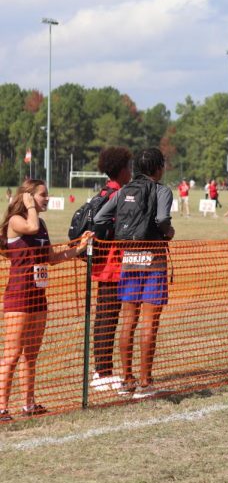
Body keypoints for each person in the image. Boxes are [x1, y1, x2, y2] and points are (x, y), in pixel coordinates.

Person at [1, 180, 93, 421]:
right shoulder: (18, 221)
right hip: (19, 297)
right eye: (42, 195)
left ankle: (28, 404)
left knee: (31, 354)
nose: (47, 199)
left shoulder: (40, 223)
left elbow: (51, 257)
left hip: (38, 298)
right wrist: (30, 206)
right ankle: (1, 407)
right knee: (11, 355)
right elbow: (30, 227)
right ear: (29, 197)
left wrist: (79, 248)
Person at [94, 148, 175, 399]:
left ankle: (127, 380)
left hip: (129, 259)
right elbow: (162, 219)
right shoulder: (162, 190)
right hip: (153, 260)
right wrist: (168, 232)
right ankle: (145, 381)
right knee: (150, 322)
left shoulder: (123, 191)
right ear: (158, 167)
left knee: (129, 320)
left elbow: (99, 217)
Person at [89, 146, 133, 392]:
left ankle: (102, 370)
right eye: (129, 166)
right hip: (113, 266)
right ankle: (103, 373)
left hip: (103, 264)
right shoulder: (118, 195)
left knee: (104, 318)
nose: (131, 171)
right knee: (108, 318)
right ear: (122, 170)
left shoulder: (103, 192)